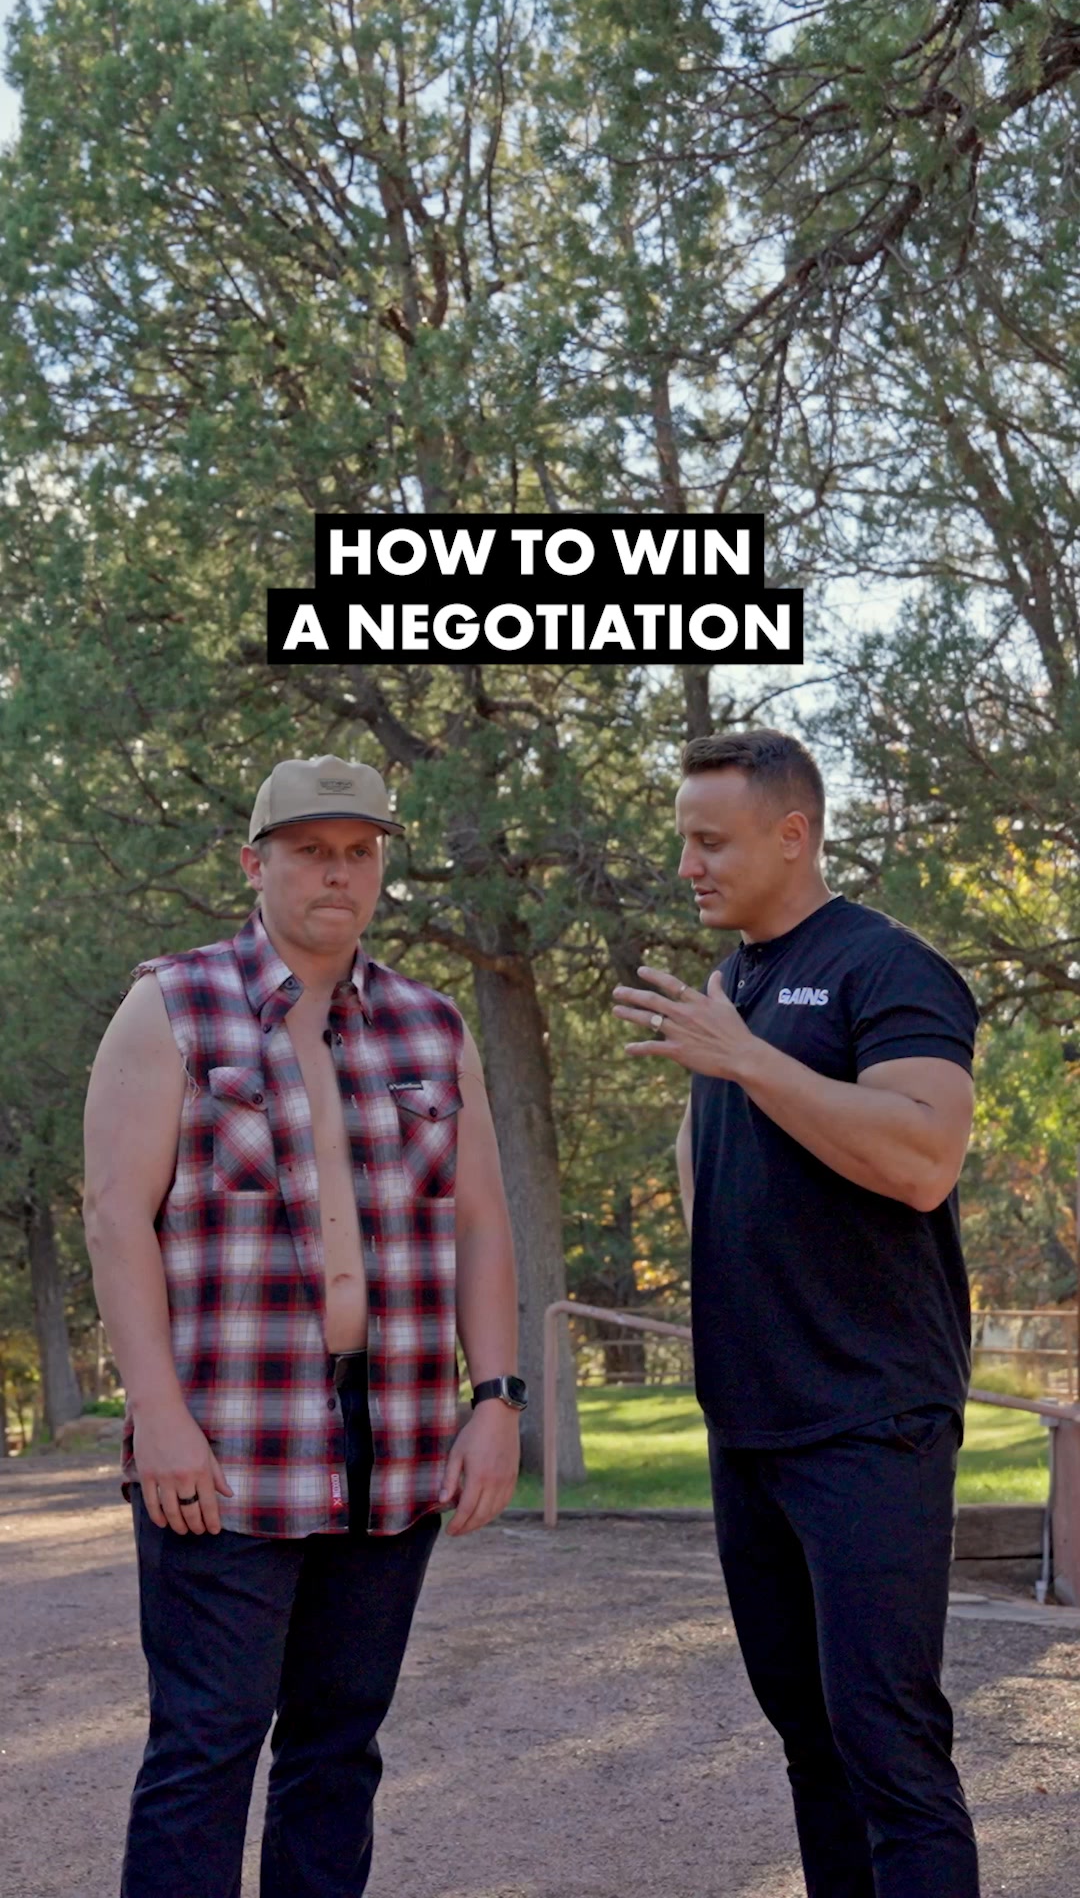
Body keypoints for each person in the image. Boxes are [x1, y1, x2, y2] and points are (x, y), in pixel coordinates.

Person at [83, 753, 526, 1898]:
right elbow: (115, 1220)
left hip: (393, 1441)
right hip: (226, 1442)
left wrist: (496, 1400)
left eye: (361, 852)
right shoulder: (173, 1005)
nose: (339, 873)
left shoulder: (430, 1026)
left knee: (339, 1745)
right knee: (205, 1744)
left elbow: (481, 1222)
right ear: (255, 862)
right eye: (312, 851)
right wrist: (158, 1416)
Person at [613, 728, 981, 1898]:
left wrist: (748, 1059)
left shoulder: (888, 967)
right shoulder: (734, 989)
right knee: (812, 1747)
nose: (688, 866)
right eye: (683, 841)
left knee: (889, 1748)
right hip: (753, 1423)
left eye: (710, 841)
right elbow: (707, 1163)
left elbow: (923, 1157)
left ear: (792, 834)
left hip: (870, 1419)